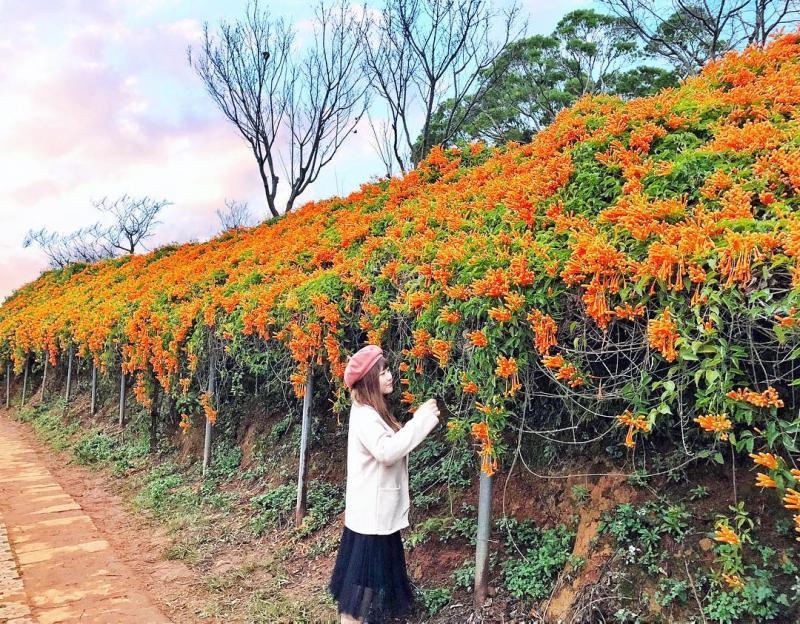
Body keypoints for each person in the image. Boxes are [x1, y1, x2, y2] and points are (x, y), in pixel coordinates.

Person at [328, 344, 440, 624]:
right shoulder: (366, 416)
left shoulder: (371, 411)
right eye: (382, 372)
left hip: (376, 518)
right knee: (358, 594)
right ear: (368, 381)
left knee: (365, 590)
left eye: (387, 369)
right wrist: (421, 421)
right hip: (372, 520)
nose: (389, 376)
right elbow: (387, 452)